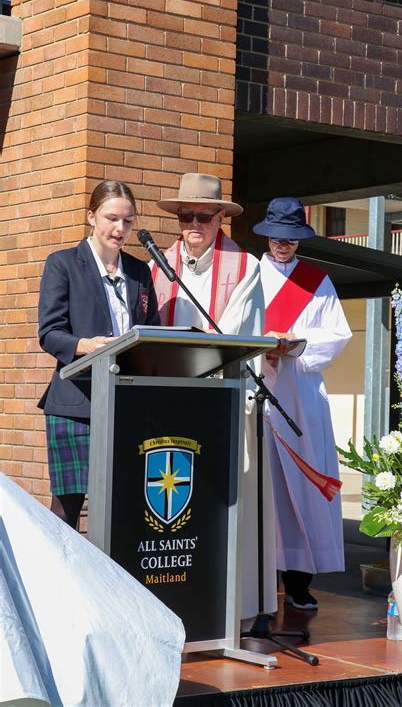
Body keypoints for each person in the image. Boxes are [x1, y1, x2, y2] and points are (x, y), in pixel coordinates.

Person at [151, 172, 277, 619]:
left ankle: (229, 607)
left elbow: (248, 335)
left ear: (221, 218)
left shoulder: (246, 268)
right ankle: (173, 603)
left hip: (225, 401)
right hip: (170, 405)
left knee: (227, 507)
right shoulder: (156, 266)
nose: (194, 225)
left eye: (204, 216)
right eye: (186, 216)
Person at [38, 180, 160, 529]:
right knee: (67, 510)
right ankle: (58, 581)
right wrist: (86, 346)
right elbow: (49, 333)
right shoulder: (63, 264)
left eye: (128, 221)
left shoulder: (139, 271)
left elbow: (150, 329)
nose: (120, 229)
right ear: (91, 216)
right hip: (76, 402)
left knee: (125, 506)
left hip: (126, 403)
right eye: (111, 218)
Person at [254, 197, 352, 609]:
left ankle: (298, 581)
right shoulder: (250, 277)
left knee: (305, 487)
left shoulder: (317, 281)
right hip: (261, 389)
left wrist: (297, 346)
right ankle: (256, 581)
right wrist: (263, 347)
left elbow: (338, 334)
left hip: (303, 396)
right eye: (278, 236)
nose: (283, 245)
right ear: (267, 234)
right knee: (263, 485)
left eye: (292, 239)